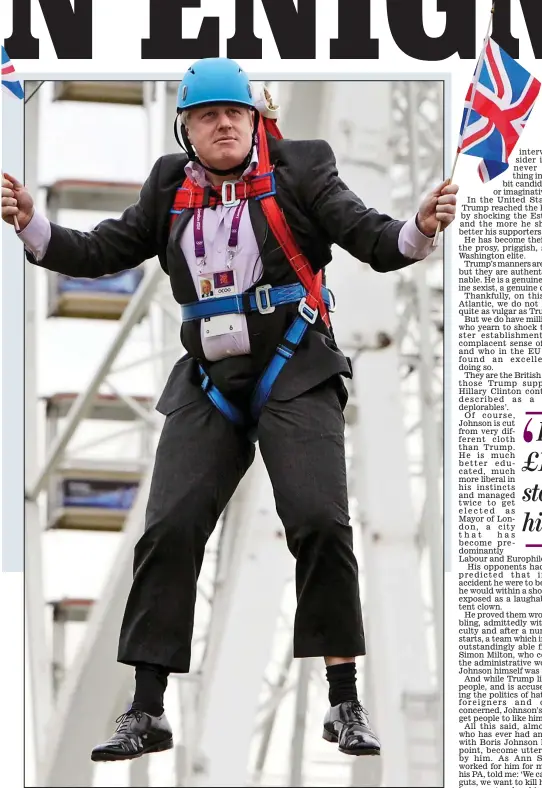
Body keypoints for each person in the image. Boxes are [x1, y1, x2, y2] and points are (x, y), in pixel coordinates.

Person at [2, 58, 458, 762]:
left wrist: (418, 228)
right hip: (210, 382)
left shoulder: (303, 168)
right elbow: (98, 250)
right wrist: (34, 227)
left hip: (295, 369)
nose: (224, 125)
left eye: (235, 114)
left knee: (317, 519)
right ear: (185, 128)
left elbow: (369, 236)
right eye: (209, 116)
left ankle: (344, 699)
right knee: (169, 527)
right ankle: (147, 708)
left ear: (256, 119)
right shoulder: (167, 189)